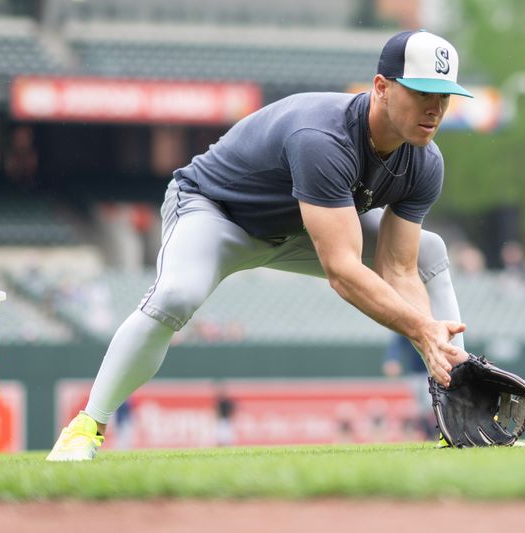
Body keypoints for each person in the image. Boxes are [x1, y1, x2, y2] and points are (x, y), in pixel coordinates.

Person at [46, 29, 474, 461]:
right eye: (423, 91)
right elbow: (342, 272)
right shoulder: (323, 137)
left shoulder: (425, 161)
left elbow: (398, 269)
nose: (435, 108)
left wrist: (434, 342)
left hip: (296, 230)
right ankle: (86, 426)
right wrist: (420, 329)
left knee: (429, 253)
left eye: (445, 96)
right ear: (381, 87)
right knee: (177, 295)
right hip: (216, 213)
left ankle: (460, 408)